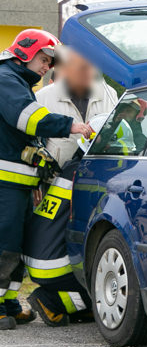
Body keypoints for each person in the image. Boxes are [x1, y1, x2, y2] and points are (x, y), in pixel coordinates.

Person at [0, 29, 91, 331]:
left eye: (50, 62)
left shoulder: (16, 81)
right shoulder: (5, 79)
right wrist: (72, 126)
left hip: (17, 184)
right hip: (5, 185)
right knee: (3, 244)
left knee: (14, 245)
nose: (47, 67)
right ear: (25, 53)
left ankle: (9, 303)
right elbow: (29, 119)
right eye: (43, 59)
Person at [22, 48, 115, 326]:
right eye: (81, 69)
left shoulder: (107, 93)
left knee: (84, 252)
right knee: (54, 248)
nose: (88, 75)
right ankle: (54, 296)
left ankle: (57, 298)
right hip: (55, 188)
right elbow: (29, 141)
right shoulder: (44, 98)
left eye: (91, 69)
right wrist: (35, 182)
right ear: (64, 69)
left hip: (96, 190)